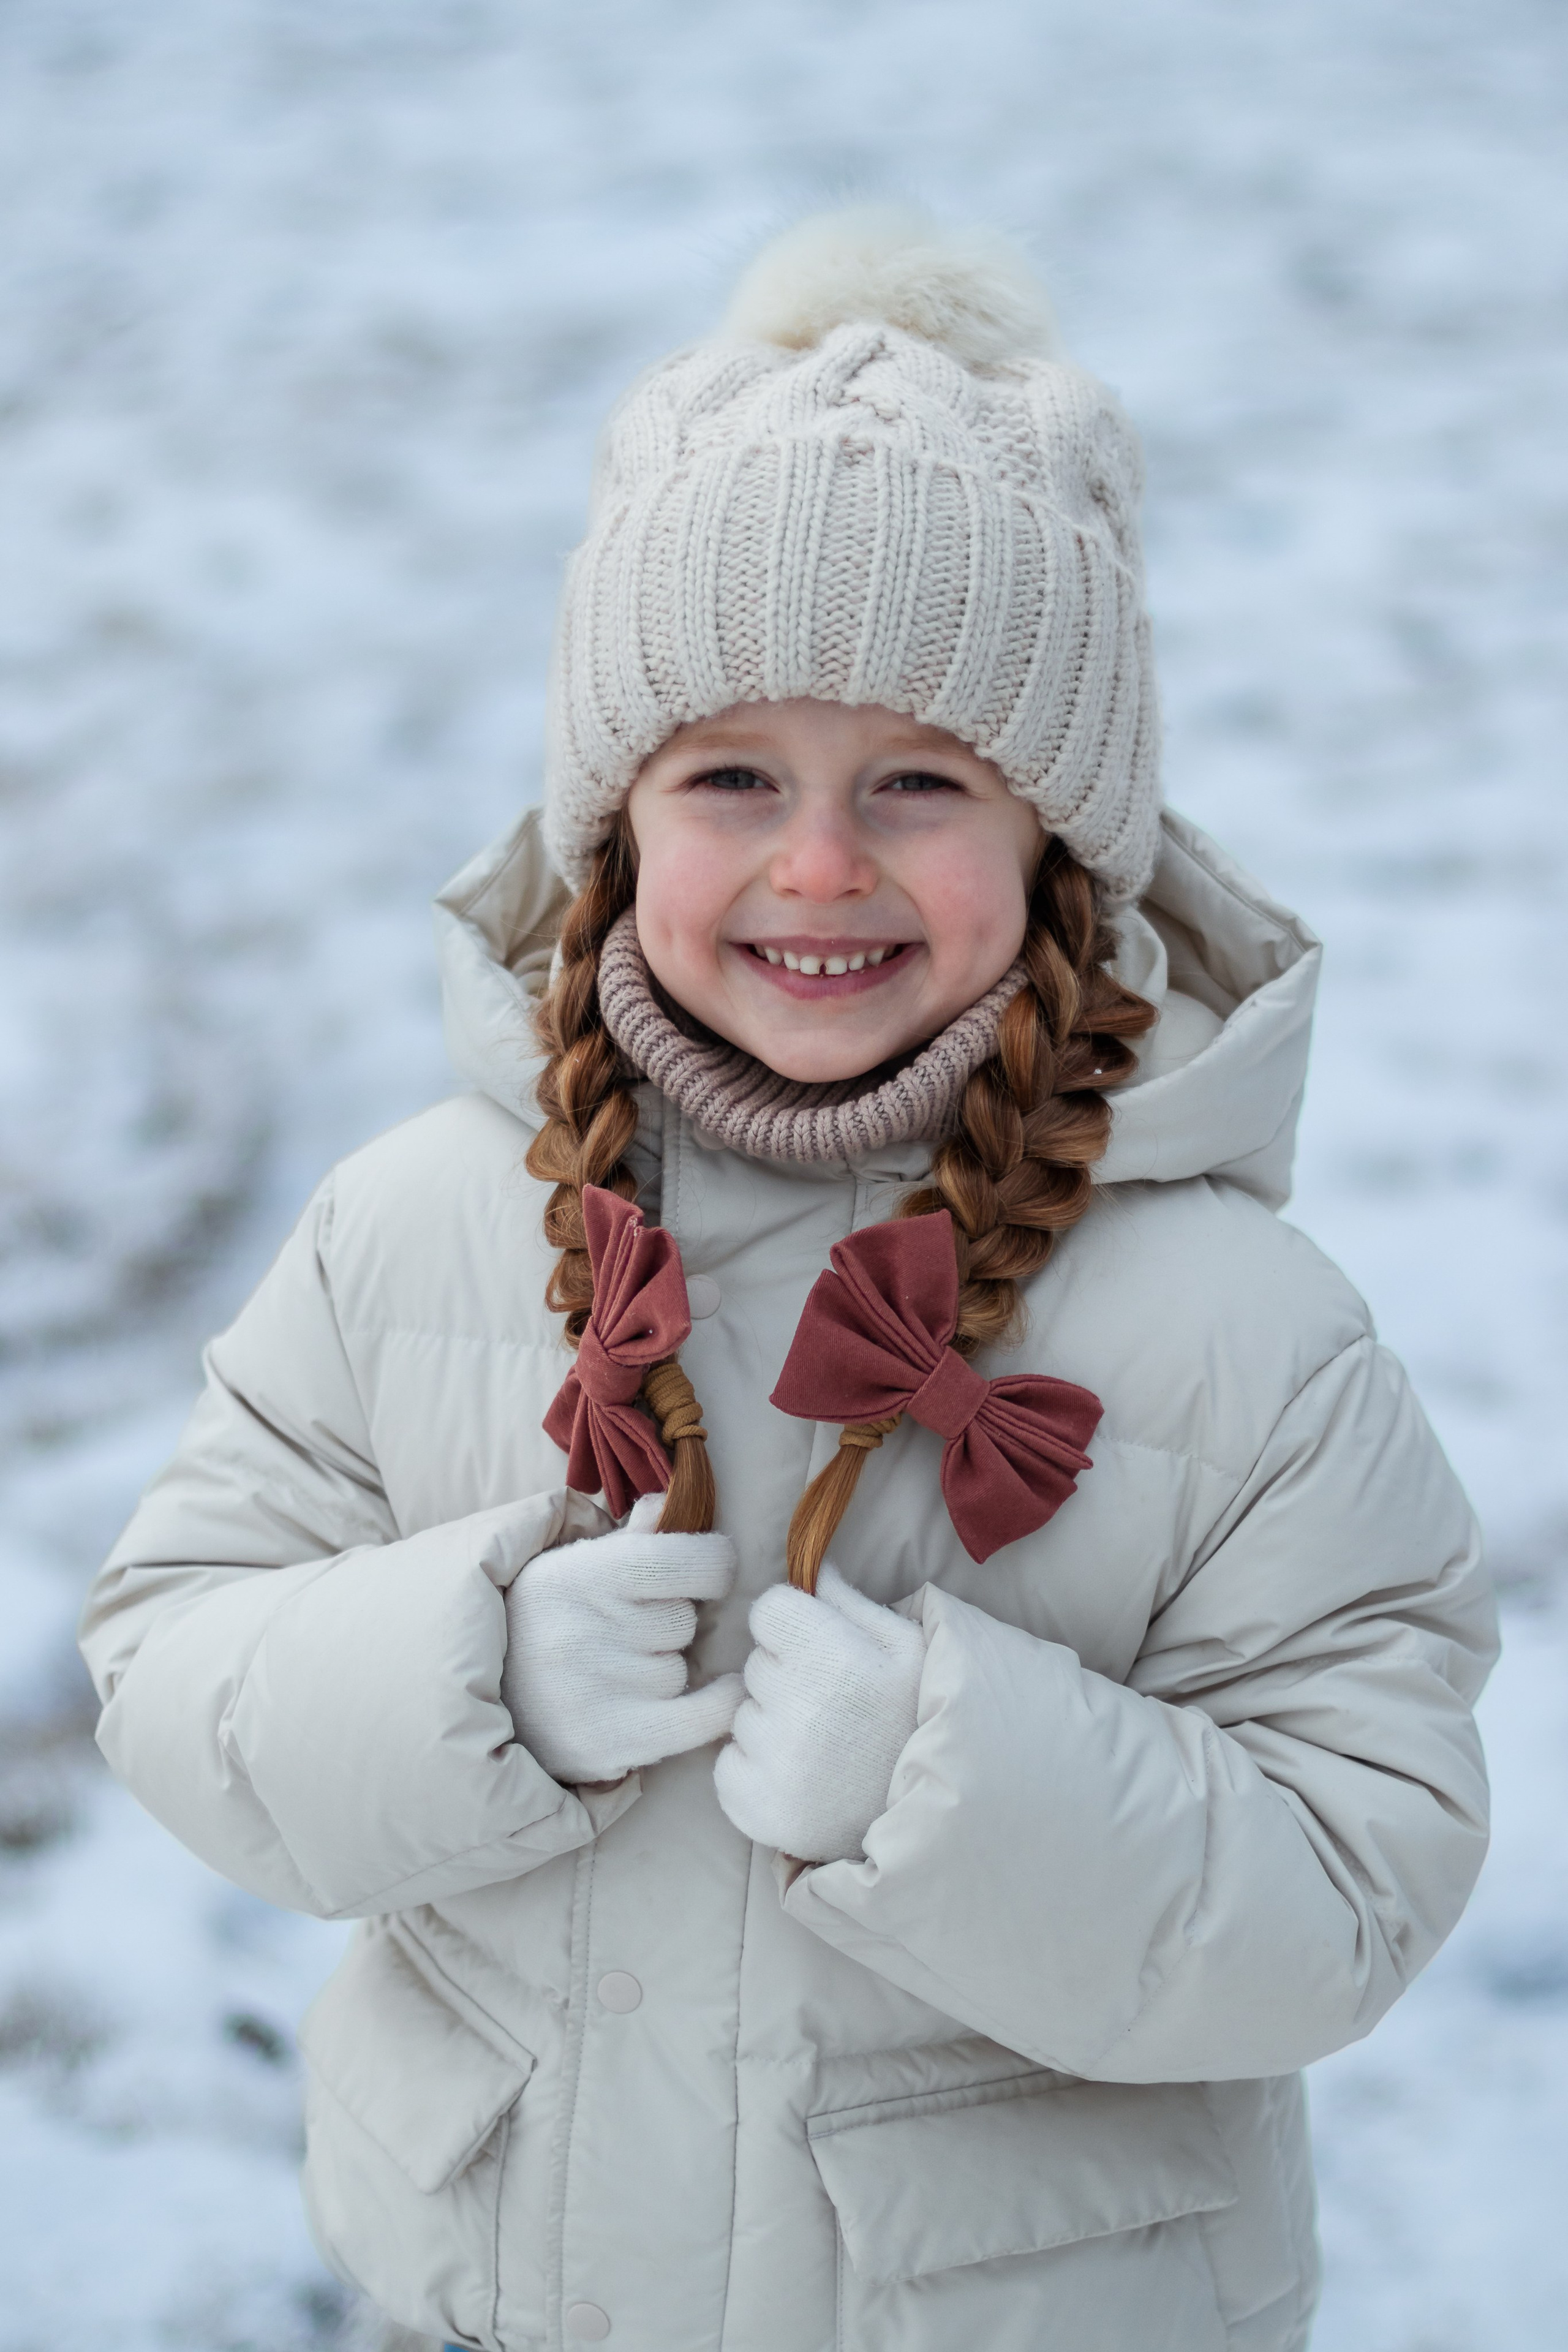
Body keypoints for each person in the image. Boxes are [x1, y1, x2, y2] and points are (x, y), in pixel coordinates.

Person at [79, 209, 1496, 2352]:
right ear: (611, 827)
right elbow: (174, 1659)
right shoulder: (411, 1231)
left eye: (918, 786)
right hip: (507, 2291)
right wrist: (464, 1677)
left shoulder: (1245, 1330)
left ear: (1057, 846)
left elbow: (1360, 1871)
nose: (819, 865)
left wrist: (959, 1782)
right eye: (731, 776)